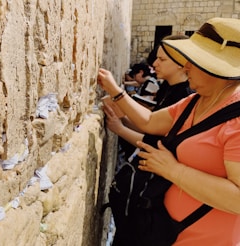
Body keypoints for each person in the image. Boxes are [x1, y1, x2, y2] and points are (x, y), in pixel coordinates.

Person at [98, 17, 240, 245]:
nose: (186, 67)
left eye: (193, 61)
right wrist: (116, 92)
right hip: (166, 232)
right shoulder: (194, 101)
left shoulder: (236, 119)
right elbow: (149, 122)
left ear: (216, 68)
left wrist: (173, 170)